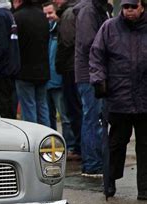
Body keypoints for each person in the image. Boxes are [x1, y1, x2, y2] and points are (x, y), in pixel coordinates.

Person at [89, 0, 147, 200]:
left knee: (145, 145)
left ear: (142, 7)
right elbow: (96, 55)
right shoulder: (110, 27)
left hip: (144, 96)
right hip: (118, 96)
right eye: (126, 7)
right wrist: (98, 80)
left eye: (133, 7)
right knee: (116, 144)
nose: (129, 11)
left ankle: (144, 189)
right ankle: (111, 180)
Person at [73, 0, 112, 177]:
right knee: (93, 118)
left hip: (93, 72)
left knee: (96, 118)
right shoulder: (89, 11)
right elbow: (89, 43)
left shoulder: (98, 9)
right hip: (90, 74)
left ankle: (96, 162)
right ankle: (92, 164)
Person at [12, 0, 51, 127]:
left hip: (24, 71)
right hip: (43, 69)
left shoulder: (17, 17)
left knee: (28, 108)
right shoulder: (42, 16)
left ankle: (33, 140)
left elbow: (14, 46)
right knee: (42, 106)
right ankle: (47, 139)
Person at [54, 0, 82, 160]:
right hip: (76, 66)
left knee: (73, 110)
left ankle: (78, 148)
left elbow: (66, 42)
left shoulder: (68, 14)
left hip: (71, 68)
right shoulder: (78, 11)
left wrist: (59, 64)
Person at [42, 1, 74, 141]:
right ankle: (52, 145)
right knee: (48, 117)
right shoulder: (45, 31)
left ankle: (70, 145)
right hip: (46, 80)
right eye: (45, 14)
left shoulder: (60, 29)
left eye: (50, 13)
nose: (48, 16)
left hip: (58, 80)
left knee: (65, 116)